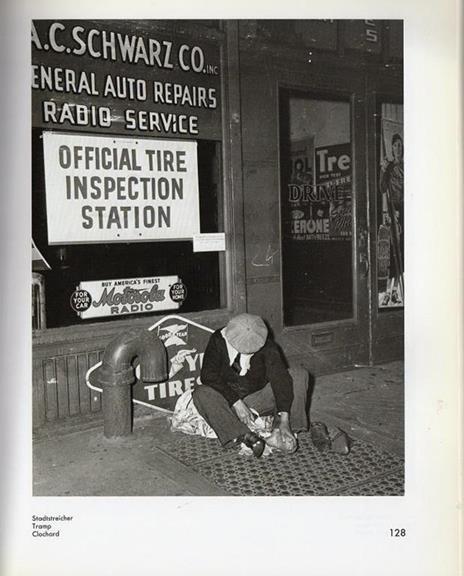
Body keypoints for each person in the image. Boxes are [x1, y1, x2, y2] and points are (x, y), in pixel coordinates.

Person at [192, 313, 309, 458]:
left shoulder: (268, 346)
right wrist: (236, 402)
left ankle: (284, 431)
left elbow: (281, 380)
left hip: (257, 399)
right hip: (229, 404)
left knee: (298, 374)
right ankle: (244, 436)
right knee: (201, 393)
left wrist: (284, 419)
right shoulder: (218, 340)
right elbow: (208, 375)